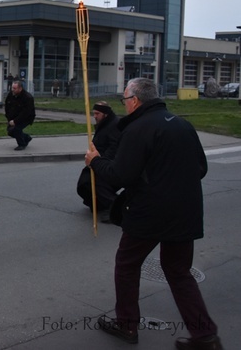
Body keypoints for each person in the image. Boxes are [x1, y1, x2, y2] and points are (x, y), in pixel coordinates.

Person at [85, 78, 223, 349]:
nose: (124, 105)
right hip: (185, 213)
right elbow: (201, 168)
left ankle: (126, 325)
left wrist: (95, 161)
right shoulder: (182, 124)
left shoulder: (138, 129)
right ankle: (205, 335)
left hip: (149, 213)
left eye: (125, 100)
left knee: (127, 265)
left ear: (135, 101)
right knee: (179, 271)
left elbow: (119, 175)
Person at [76, 101, 121, 217]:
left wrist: (100, 160)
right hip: (97, 161)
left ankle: (115, 209)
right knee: (84, 183)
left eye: (97, 113)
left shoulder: (114, 125)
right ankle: (97, 204)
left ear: (105, 114)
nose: (95, 116)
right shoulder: (105, 123)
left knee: (97, 184)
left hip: (107, 163)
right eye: (94, 113)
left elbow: (114, 147)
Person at [4, 80, 36, 151]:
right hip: (13, 117)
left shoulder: (28, 98)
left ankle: (22, 144)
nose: (12, 90)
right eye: (12, 88)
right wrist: (9, 118)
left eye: (14, 88)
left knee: (16, 129)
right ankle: (26, 138)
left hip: (26, 118)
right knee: (10, 132)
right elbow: (7, 106)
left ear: (20, 88)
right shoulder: (11, 95)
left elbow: (26, 113)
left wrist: (15, 121)